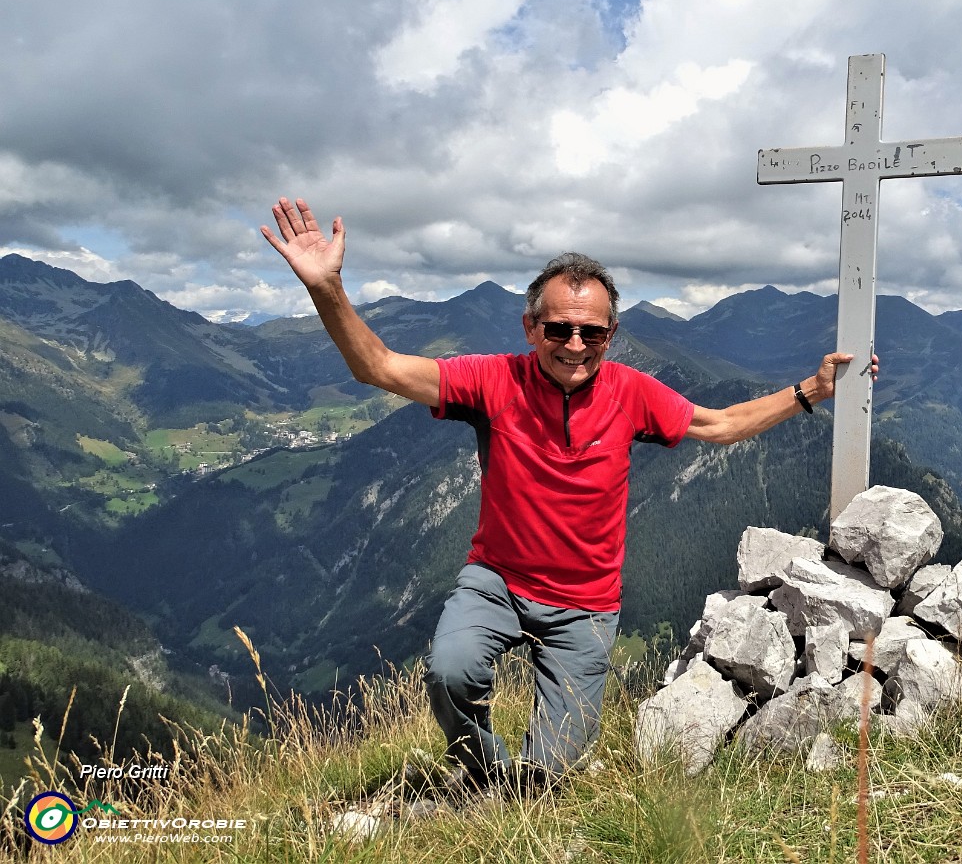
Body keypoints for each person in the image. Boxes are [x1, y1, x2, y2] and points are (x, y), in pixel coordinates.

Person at [261, 196, 875, 790]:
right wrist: (326, 288)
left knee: (553, 769)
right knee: (449, 673)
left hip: (586, 603)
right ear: (531, 328)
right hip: (497, 579)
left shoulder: (632, 391)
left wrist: (812, 391)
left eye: (593, 333)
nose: (575, 345)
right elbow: (380, 367)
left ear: (612, 334)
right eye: (559, 328)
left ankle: (522, 792)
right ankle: (486, 776)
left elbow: (719, 426)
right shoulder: (491, 380)